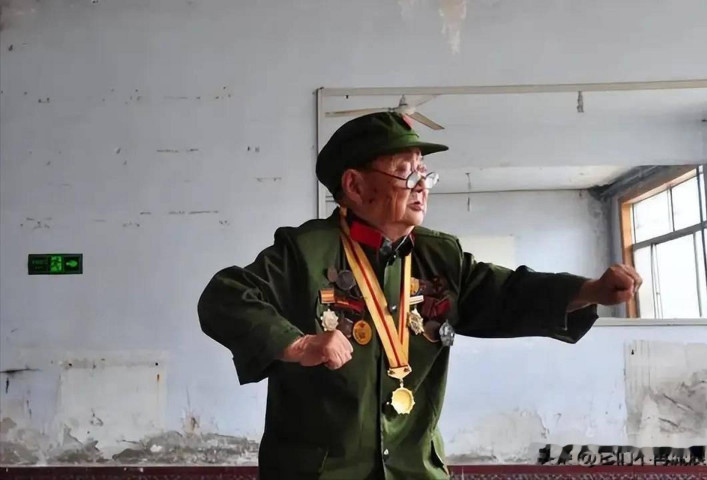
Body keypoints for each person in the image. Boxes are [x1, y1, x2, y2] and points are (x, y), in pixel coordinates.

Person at [198, 112, 642, 480]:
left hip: (414, 469)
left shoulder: (439, 256)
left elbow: (507, 293)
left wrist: (590, 291)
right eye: (405, 172)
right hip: (320, 471)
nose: (421, 184)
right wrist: (299, 344)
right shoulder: (305, 252)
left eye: (424, 172)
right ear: (355, 186)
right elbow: (225, 296)